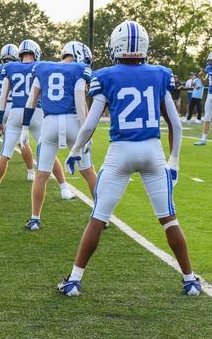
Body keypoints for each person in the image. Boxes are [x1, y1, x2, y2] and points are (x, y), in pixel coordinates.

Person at [60, 20, 200, 297]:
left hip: (120, 152)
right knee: (169, 219)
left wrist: (75, 151)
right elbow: (175, 124)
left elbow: (89, 125)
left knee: (98, 218)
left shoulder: (105, 76)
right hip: (152, 151)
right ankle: (190, 280)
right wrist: (174, 161)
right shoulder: (160, 74)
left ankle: (74, 280)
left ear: (116, 46)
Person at [22, 41, 97, 231]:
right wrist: (86, 133)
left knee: (42, 174)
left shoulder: (42, 68)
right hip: (73, 122)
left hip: (49, 124)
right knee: (88, 171)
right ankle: (101, 216)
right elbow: (80, 103)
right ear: (79, 55)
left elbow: (31, 101)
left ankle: (35, 219)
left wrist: (24, 127)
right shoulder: (79, 69)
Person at [0, 40, 42, 200]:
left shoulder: (8, 68)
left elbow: (0, 97)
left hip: (14, 111)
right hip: (35, 112)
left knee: (5, 152)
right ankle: (63, 187)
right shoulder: (41, 66)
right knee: (45, 149)